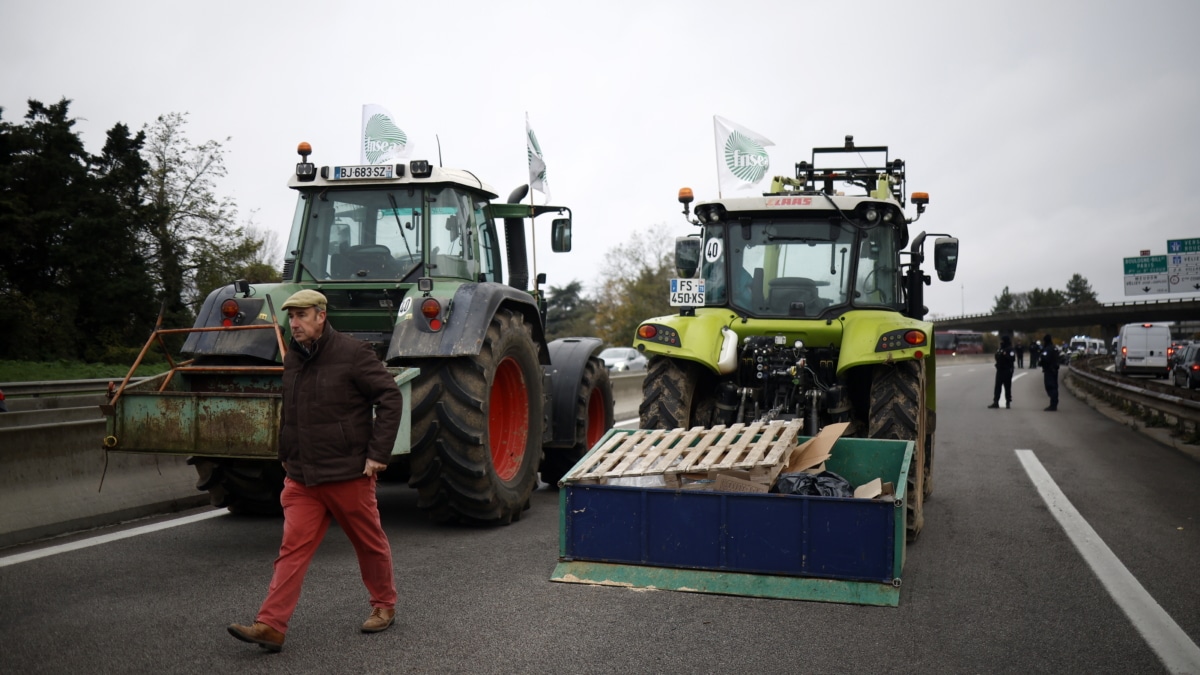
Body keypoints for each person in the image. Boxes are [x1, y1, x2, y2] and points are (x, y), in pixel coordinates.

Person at [228, 289, 404, 653]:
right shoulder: (293, 357)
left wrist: (377, 454)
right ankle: (271, 625)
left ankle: (383, 605)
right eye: (291, 317)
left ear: (321, 316)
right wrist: (285, 453)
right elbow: (291, 411)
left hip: (348, 474)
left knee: (368, 543)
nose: (295, 324)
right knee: (291, 550)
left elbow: (390, 396)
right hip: (303, 478)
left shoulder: (354, 354)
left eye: (302, 316)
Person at [988, 335, 1016, 409]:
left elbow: (1012, 358)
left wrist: (1005, 355)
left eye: (1003, 341)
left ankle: (1008, 402)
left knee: (1007, 387)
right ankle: (996, 402)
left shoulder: (1010, 349)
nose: (1001, 342)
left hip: (1007, 370)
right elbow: (997, 356)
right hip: (1000, 370)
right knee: (997, 386)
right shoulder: (1000, 349)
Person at [1041, 333, 1059, 411]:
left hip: (1049, 370)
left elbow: (1045, 359)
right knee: (1054, 386)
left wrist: (1041, 362)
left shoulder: (1048, 349)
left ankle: (1053, 405)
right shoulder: (1054, 348)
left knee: (1050, 386)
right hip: (1055, 370)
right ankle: (1054, 403)